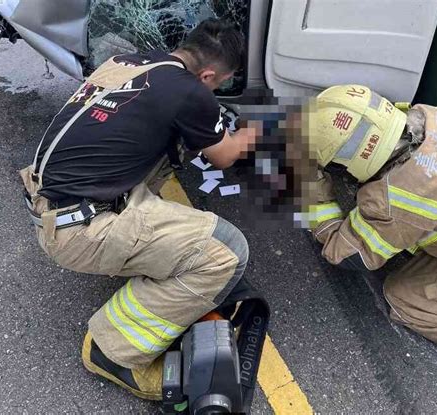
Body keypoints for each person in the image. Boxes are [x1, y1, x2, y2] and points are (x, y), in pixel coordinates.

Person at [20, 19, 260, 399]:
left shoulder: (125, 62)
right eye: (218, 84)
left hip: (48, 202)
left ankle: (144, 247)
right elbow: (226, 155)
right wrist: (260, 128)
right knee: (227, 253)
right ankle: (112, 352)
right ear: (209, 74)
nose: (215, 91)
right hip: (80, 229)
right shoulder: (189, 92)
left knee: (175, 144)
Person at [297, 84, 437, 352]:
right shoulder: (432, 116)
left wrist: (312, 192)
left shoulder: (396, 198)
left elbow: (347, 254)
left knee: (406, 296)